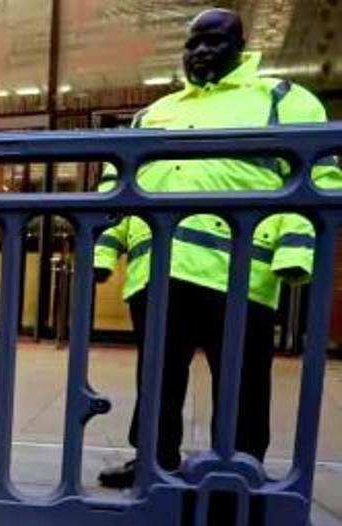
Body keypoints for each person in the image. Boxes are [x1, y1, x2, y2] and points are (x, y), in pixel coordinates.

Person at [94, 8, 342, 489]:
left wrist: (294, 251)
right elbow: (117, 184)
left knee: (243, 378)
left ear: (241, 45)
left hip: (239, 269)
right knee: (158, 377)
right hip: (157, 268)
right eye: (192, 43)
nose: (200, 51)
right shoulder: (154, 113)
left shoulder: (282, 98)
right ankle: (152, 459)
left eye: (213, 41)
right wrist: (105, 252)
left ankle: (240, 466)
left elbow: (316, 175)